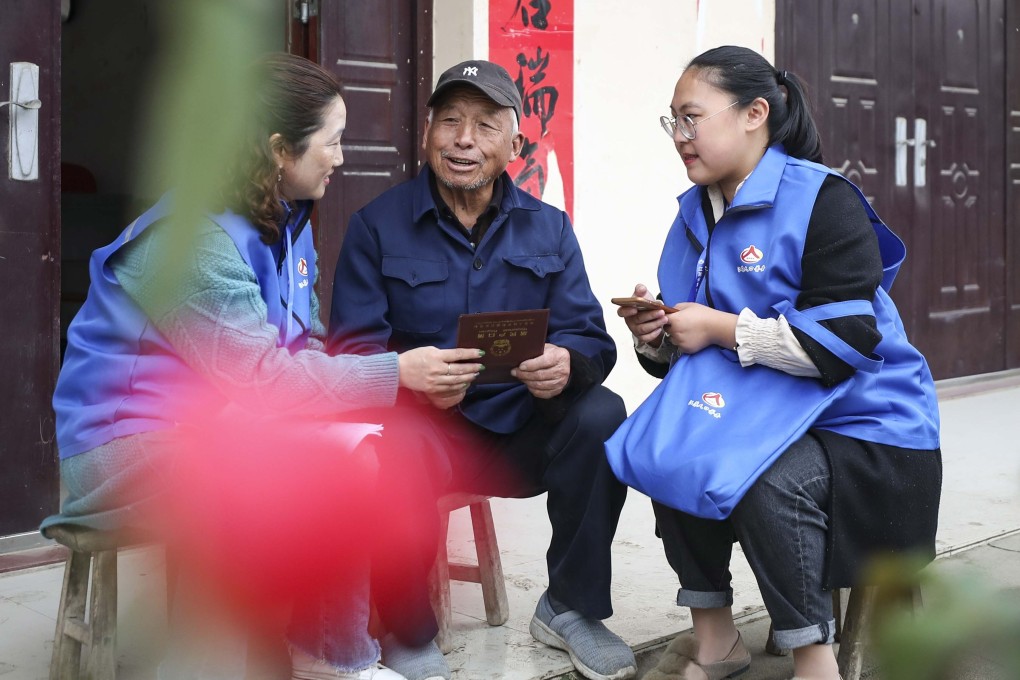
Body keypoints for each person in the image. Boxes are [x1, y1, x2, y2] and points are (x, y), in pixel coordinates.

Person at [44, 53, 483, 680]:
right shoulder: (194, 239)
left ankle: (329, 652)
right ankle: (319, 659)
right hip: (123, 447)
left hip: (211, 425)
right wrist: (396, 372)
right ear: (280, 148)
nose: (340, 157)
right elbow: (263, 380)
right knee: (322, 464)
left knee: (356, 449)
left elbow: (299, 347)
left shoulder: (283, 221)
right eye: (331, 142)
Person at [616, 46, 942, 680]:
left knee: (767, 473)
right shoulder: (692, 215)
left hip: (868, 432)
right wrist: (657, 334)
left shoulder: (825, 200)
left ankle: (813, 658)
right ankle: (715, 639)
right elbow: (684, 356)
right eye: (672, 123)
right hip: (763, 415)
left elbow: (844, 345)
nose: (680, 137)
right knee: (666, 445)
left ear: (754, 114)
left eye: (692, 118)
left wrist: (717, 327)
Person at [328, 60, 636, 680]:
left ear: (514, 144)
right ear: (427, 135)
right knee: (395, 443)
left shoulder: (549, 227)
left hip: (524, 430)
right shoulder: (376, 227)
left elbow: (592, 340)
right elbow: (349, 356)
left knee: (603, 414)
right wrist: (405, 375)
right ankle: (408, 630)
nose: (463, 139)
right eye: (450, 122)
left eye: (484, 125)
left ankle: (570, 610)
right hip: (428, 434)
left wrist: (566, 364)